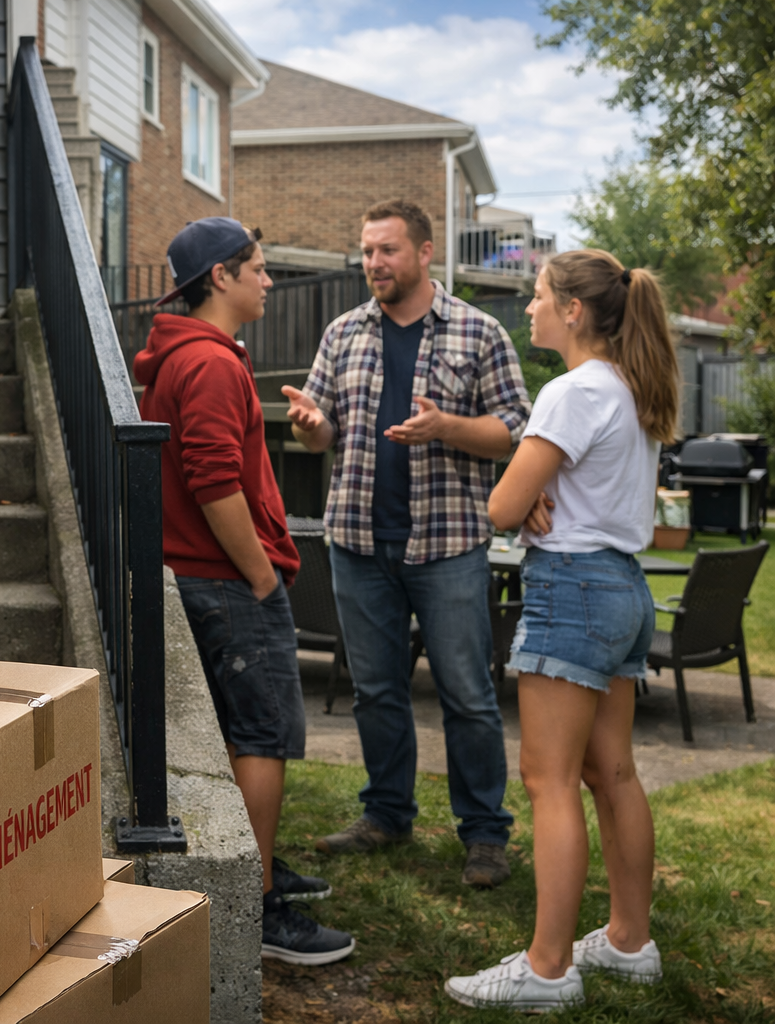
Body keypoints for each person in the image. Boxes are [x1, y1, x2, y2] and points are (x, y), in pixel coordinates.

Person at [446, 251, 676, 1011]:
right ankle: (629, 942)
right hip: (623, 588)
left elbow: (502, 509)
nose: (530, 309)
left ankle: (547, 969)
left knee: (549, 781)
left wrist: (527, 488)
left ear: (573, 310)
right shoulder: (628, 385)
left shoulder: (571, 391)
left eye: (539, 296)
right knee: (614, 774)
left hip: (572, 589)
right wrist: (538, 485)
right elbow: (556, 488)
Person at [282, 199, 530, 887]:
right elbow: (321, 430)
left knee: (467, 694)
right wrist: (309, 425)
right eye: (367, 251)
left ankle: (484, 833)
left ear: (424, 252)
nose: (374, 263)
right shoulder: (342, 333)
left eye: (387, 250)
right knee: (376, 691)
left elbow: (512, 429)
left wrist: (447, 426)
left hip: (448, 545)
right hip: (359, 542)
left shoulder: (478, 332)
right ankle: (387, 814)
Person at [135, 217, 355, 965]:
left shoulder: (193, 355)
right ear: (221, 277)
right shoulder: (208, 363)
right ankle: (257, 911)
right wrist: (261, 575)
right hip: (227, 581)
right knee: (265, 734)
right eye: (258, 268)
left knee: (241, 732)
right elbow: (212, 480)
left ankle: (253, 867)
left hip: (204, 576)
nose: (269, 280)